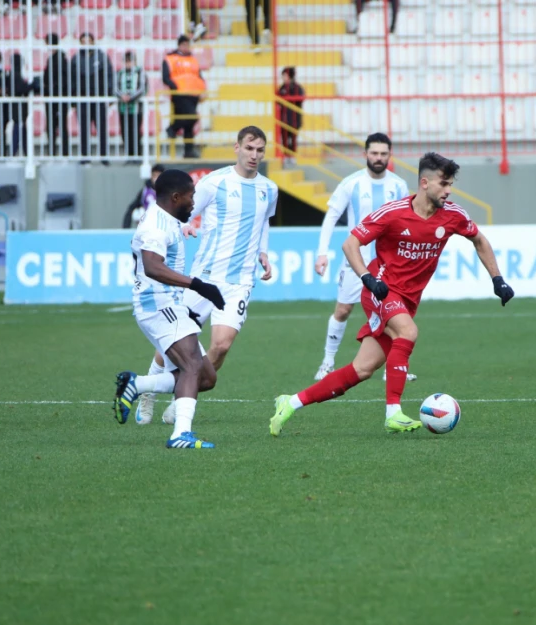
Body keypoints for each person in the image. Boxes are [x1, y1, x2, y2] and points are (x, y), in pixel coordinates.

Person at [269, 152, 515, 436]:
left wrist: (498, 279)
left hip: (408, 300)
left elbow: (479, 240)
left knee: (361, 370)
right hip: (381, 290)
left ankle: (291, 402)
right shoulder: (393, 213)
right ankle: (393, 413)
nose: (448, 191)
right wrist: (368, 279)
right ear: (424, 182)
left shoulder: (453, 216)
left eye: (450, 185)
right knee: (408, 332)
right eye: (443, 184)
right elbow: (350, 245)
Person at [133, 126, 276, 426]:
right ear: (237, 147)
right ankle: (150, 388)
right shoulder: (216, 181)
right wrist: (183, 226)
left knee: (221, 346)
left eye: (260, 150)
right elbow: (183, 207)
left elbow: (264, 223)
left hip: (239, 281)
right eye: (249, 148)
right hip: (205, 275)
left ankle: (183, 394)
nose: (254, 155)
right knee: (175, 340)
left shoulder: (269, 189)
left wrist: (263, 252)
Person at [112, 170, 225, 449]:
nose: (193, 201)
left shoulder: (167, 218)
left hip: (169, 303)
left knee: (207, 378)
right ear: (175, 197)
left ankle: (137, 385)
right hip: (157, 303)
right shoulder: (155, 224)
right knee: (191, 366)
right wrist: (197, 285)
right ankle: (180, 434)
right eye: (191, 196)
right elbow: (152, 266)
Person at [311, 132, 410, 382]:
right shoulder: (351, 183)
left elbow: (405, 222)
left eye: (383, 154)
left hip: (389, 265)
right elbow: (332, 216)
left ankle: (392, 367)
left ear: (389, 156)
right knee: (343, 310)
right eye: (374, 153)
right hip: (357, 262)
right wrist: (322, 253)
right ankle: (327, 362)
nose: (378, 158)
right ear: (365, 154)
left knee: (391, 314)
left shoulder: (398, 185)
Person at [71, 32, 114, 160]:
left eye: (88, 41)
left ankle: (104, 156)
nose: (86, 44)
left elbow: (109, 75)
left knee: (101, 129)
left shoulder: (101, 57)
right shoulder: (76, 58)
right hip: (82, 99)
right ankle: (85, 156)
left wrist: (109, 94)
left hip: (99, 98)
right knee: (84, 129)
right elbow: (72, 80)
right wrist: (73, 98)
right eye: (83, 42)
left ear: (93, 42)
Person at [162, 35, 206, 159]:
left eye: (188, 44)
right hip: (180, 94)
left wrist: (203, 90)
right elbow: (165, 77)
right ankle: (172, 128)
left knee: (189, 124)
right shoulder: (171, 58)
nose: (187, 47)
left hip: (193, 94)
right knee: (191, 117)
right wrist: (174, 87)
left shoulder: (193, 59)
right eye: (184, 44)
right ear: (179, 45)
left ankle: (188, 151)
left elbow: (199, 76)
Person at [115, 51, 147, 159]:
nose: (129, 63)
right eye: (127, 61)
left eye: (131, 61)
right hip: (123, 108)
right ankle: (128, 155)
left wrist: (131, 97)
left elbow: (143, 88)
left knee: (136, 131)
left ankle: (137, 155)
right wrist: (122, 96)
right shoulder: (120, 73)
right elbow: (115, 88)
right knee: (125, 132)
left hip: (136, 108)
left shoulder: (140, 72)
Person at [42, 34, 71, 157]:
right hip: (52, 97)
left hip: (59, 97)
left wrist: (53, 88)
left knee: (59, 126)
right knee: (53, 126)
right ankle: (54, 152)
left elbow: (64, 78)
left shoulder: (60, 58)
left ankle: (61, 152)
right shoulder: (54, 58)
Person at [6, 51, 35, 157]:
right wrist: (32, 85)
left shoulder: (13, 74)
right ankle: (15, 152)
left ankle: (22, 152)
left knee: (21, 129)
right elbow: (20, 89)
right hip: (17, 107)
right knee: (19, 129)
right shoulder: (15, 75)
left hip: (18, 107)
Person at [122, 164, 165, 228]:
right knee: (138, 212)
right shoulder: (145, 191)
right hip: (148, 223)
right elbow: (131, 208)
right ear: (151, 176)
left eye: (158, 176)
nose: (156, 178)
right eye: (154, 175)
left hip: (163, 223)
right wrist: (126, 228)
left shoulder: (168, 191)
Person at [276, 66, 305, 157]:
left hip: (294, 119)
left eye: (284, 75)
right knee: (284, 139)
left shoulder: (297, 88)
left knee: (293, 139)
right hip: (283, 119)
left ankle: (292, 156)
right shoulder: (282, 87)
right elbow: (277, 100)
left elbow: (300, 100)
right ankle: (285, 156)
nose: (283, 78)